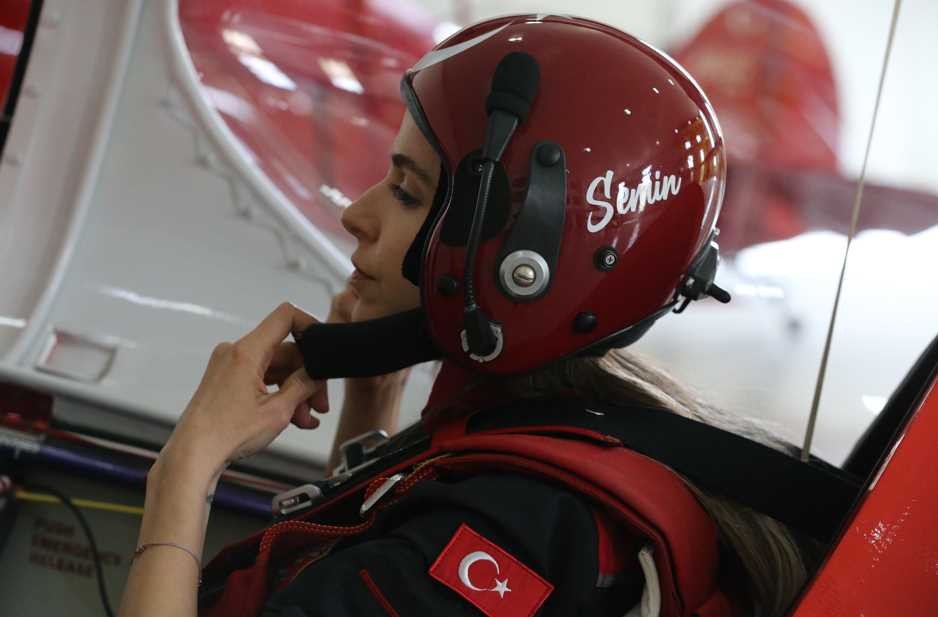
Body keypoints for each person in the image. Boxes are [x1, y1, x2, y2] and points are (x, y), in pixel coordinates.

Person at [118, 14, 825, 617]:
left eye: (405, 192)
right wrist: (372, 397)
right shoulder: (563, 442)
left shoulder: (502, 535)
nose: (355, 214)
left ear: (523, 259)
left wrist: (185, 470)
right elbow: (366, 555)